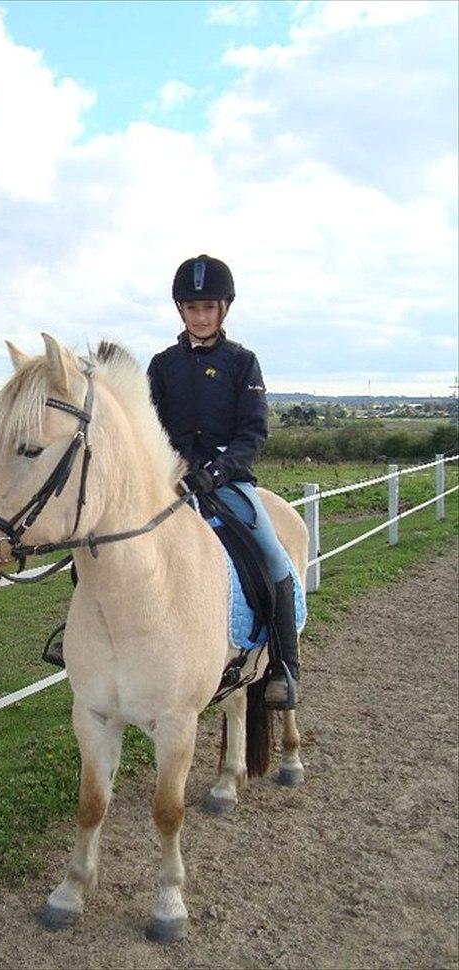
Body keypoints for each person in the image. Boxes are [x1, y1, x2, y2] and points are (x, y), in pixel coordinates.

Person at [146, 254, 300, 709]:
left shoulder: (242, 363)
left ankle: (284, 668)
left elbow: (253, 433)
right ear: (181, 311)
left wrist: (216, 472)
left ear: (223, 309)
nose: (200, 317)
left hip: (228, 482)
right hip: (172, 481)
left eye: (208, 308)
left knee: (273, 557)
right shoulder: (162, 365)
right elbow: (149, 429)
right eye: (192, 309)